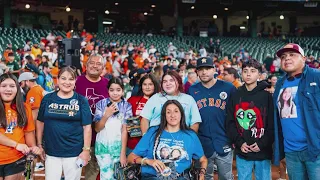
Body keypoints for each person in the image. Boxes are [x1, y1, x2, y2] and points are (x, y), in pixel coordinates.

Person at [128, 100, 208, 180]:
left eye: (176, 111)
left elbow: (203, 159)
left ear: (181, 114)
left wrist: (202, 174)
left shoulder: (190, 135)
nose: (172, 115)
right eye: (168, 112)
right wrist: (148, 161)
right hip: (153, 177)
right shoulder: (153, 132)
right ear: (164, 115)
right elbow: (131, 158)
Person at [273, 43, 320, 180]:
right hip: (291, 151)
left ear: (304, 59)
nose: (287, 58)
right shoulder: (280, 84)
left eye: (292, 55)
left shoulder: (316, 77)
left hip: (315, 149)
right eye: (283, 56)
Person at [36, 67, 92, 179]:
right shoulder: (47, 99)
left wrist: (86, 150)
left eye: (71, 79)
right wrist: (39, 145)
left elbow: (87, 127)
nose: (67, 82)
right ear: (57, 79)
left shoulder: (81, 100)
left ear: (75, 81)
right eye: (63, 78)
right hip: (51, 152)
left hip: (74, 153)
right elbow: (40, 122)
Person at [188, 57, 236, 180]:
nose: (204, 72)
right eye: (201, 69)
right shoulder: (192, 90)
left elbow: (236, 113)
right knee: (205, 177)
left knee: (226, 177)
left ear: (214, 70)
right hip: (202, 143)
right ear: (197, 72)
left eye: (207, 68)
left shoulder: (228, 87)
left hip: (224, 140)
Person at [225, 59, 274, 180]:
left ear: (259, 74)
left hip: (262, 151)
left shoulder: (267, 95)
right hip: (243, 150)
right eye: (245, 71)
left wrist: (262, 143)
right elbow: (230, 122)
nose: (248, 74)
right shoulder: (236, 95)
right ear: (241, 73)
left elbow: (272, 124)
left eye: (252, 71)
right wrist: (240, 142)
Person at [75, 54, 109, 180]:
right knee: (73, 172)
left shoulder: (107, 84)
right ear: (86, 65)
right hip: (76, 136)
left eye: (98, 64)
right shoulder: (76, 81)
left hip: (97, 138)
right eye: (92, 63)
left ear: (103, 68)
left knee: (92, 174)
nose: (95, 66)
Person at [0, 73, 41, 179]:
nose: (8, 89)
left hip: (16, 160)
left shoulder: (25, 108)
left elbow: (29, 133)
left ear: (17, 88)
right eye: (4, 86)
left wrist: (34, 149)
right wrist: (16, 145)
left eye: (12, 86)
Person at [94, 78, 132, 180]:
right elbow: (97, 129)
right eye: (112, 90)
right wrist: (106, 115)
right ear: (108, 90)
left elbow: (124, 130)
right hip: (103, 148)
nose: (115, 93)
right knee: (106, 176)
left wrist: (123, 153)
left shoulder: (127, 106)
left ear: (123, 90)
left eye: (118, 90)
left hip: (118, 149)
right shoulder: (101, 104)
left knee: (118, 177)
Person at [127, 74, 160, 153]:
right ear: (141, 86)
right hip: (133, 144)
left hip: (152, 144)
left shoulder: (159, 101)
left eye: (150, 84)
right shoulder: (132, 100)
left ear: (155, 86)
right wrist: (126, 126)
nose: (147, 87)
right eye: (144, 84)